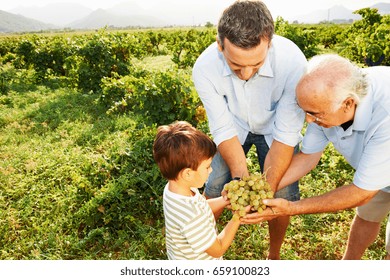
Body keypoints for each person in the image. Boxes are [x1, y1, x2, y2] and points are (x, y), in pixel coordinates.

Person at [241, 54, 390, 260]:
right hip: (377, 168)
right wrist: (261, 190)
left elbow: (361, 192)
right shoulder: (329, 99)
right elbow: (308, 157)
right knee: (367, 216)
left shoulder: (385, 116)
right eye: (306, 112)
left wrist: (292, 208)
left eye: (315, 114)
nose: (309, 121)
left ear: (347, 104)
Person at [192, 0, 307, 259]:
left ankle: (273, 255)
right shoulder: (204, 68)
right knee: (216, 184)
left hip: (276, 131)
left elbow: (286, 134)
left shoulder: (293, 64)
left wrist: (263, 195)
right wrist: (241, 179)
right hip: (234, 128)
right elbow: (222, 126)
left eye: (256, 64)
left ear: (270, 41)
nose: (246, 73)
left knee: (282, 193)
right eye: (236, 66)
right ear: (220, 45)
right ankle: (205, 248)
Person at [152, 121, 250, 260]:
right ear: (187, 173)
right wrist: (237, 218)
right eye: (207, 167)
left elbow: (201, 206)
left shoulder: (175, 188)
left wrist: (224, 200)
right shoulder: (190, 216)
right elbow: (218, 249)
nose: (211, 170)